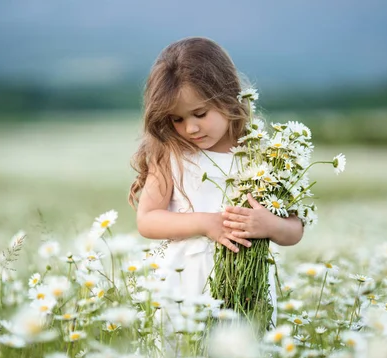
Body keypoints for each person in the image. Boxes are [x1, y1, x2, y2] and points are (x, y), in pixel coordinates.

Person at [128, 37, 304, 324]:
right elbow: (147, 220)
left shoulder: (263, 155)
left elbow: (295, 229)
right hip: (185, 282)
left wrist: (270, 225)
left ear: (228, 97)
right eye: (176, 119)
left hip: (249, 286)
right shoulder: (172, 153)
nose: (190, 128)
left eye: (200, 114)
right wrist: (205, 223)